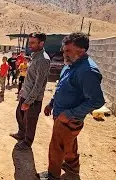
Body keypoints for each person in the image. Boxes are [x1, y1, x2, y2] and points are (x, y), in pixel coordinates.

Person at [41, 33, 105, 180]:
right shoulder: (70, 64)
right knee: (69, 144)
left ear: (81, 51)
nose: (64, 53)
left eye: (68, 50)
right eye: (64, 50)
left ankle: (53, 175)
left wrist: (70, 114)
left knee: (57, 147)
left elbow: (97, 101)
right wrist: (51, 104)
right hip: (61, 114)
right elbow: (62, 87)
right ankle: (72, 167)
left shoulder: (87, 71)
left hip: (69, 119)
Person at [10, 32, 50, 149]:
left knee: (30, 122)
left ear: (41, 43)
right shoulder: (35, 55)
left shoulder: (43, 60)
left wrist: (28, 101)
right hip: (25, 94)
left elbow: (39, 84)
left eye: (33, 42)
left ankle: (27, 143)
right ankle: (21, 134)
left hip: (33, 99)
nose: (29, 45)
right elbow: (31, 77)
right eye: (29, 42)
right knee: (19, 115)